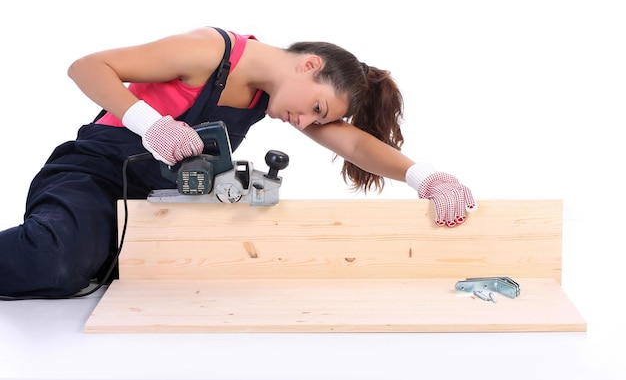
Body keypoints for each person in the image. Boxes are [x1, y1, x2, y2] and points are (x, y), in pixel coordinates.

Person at [0, 26, 475, 299]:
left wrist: (424, 176)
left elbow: (352, 145)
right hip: (94, 174)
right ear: (309, 65)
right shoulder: (211, 50)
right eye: (316, 108)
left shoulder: (271, 95)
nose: (308, 122)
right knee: (57, 263)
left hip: (151, 202)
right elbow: (86, 66)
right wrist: (151, 124)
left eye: (317, 119)